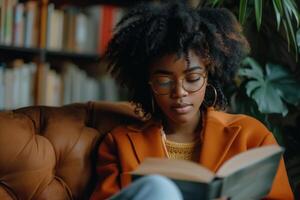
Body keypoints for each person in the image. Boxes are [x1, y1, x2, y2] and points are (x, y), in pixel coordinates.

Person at [90, 1, 294, 199]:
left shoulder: (252, 136)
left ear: (209, 77)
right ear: (148, 84)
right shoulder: (119, 143)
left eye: (193, 78)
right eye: (163, 81)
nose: (179, 92)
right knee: (158, 187)